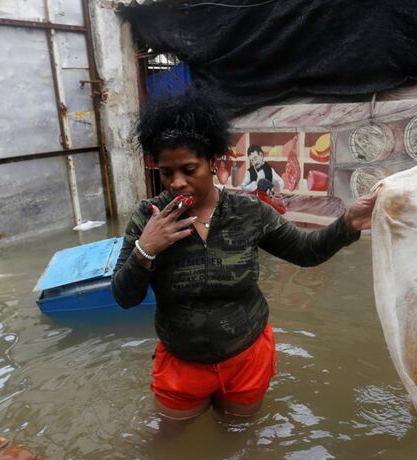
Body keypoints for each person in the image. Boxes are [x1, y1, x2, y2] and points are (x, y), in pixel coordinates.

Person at [112, 92, 378, 420]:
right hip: (182, 365)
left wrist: (349, 222)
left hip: (247, 359)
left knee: (242, 437)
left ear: (215, 162)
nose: (177, 183)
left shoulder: (249, 212)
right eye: (167, 173)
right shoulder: (148, 216)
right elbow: (124, 297)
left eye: (189, 169)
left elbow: (307, 253)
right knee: (170, 443)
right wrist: (146, 248)